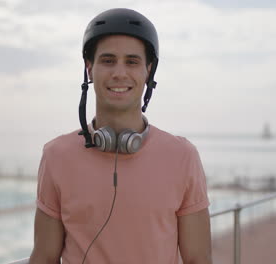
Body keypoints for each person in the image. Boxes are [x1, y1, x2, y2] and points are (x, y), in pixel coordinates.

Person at [29, 8, 211, 264]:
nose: (119, 73)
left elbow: (198, 260)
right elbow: (44, 258)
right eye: (108, 60)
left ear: (148, 71)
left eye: (132, 62)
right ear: (89, 69)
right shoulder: (56, 156)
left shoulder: (183, 156)